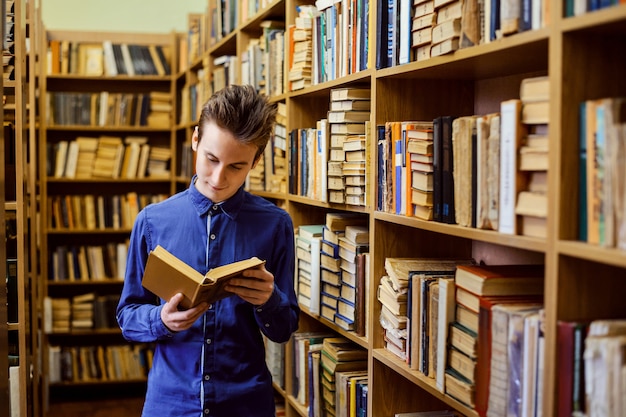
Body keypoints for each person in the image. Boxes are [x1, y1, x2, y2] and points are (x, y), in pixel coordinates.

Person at [116, 84, 300, 417]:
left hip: (246, 403)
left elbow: (285, 328)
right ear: (195, 140)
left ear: (256, 161)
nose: (218, 178)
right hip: (169, 403)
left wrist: (268, 300)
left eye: (236, 167)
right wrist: (162, 319)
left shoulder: (275, 225)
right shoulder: (152, 221)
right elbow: (128, 317)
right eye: (211, 159)